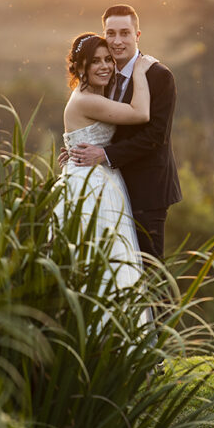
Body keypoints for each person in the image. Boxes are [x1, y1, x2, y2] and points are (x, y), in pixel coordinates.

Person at [67, 5, 181, 259]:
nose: (117, 41)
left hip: (146, 189)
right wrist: (77, 146)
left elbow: (155, 136)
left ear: (137, 35)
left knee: (148, 267)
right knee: (111, 261)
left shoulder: (159, 76)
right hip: (109, 186)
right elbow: (98, 123)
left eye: (125, 33)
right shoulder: (103, 76)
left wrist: (104, 154)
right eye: (111, 34)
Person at [55, 32, 157, 291]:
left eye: (108, 60)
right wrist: (140, 72)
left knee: (106, 257)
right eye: (96, 62)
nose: (105, 67)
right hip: (92, 186)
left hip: (96, 177)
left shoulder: (91, 95)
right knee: (102, 258)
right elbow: (141, 113)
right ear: (80, 67)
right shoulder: (88, 100)